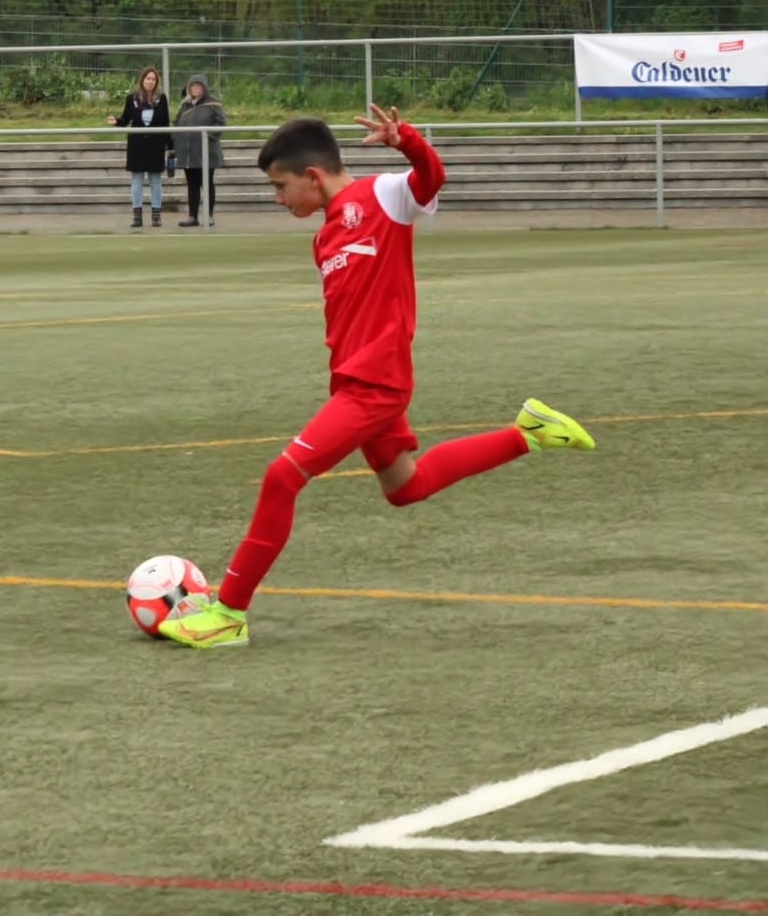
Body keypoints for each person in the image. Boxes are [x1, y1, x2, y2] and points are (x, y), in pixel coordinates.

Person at [158, 105, 597, 649]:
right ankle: (528, 434)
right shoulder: (324, 238)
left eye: (280, 187)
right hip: (353, 383)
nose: (278, 199)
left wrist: (405, 140)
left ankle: (228, 613)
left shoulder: (384, 196)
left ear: (311, 176)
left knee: (281, 478)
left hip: (377, 385)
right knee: (406, 487)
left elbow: (431, 177)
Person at [106, 66, 173, 229]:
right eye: (148, 78)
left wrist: (171, 146)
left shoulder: (162, 99)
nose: (150, 82)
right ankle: (137, 216)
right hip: (137, 145)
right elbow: (126, 120)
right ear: (142, 80)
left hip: (155, 145)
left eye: (153, 79)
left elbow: (165, 123)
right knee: (136, 180)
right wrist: (116, 121)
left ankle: (156, 215)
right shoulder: (132, 98)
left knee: (155, 181)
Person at [170, 74, 226, 229]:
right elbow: (177, 123)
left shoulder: (213, 103)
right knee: (192, 184)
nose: (195, 88)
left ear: (204, 88)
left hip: (206, 152)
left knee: (206, 183)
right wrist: (175, 140)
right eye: (192, 86)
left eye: (198, 86)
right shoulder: (185, 105)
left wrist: (207, 135)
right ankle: (192, 216)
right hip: (188, 152)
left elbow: (220, 123)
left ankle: (209, 216)